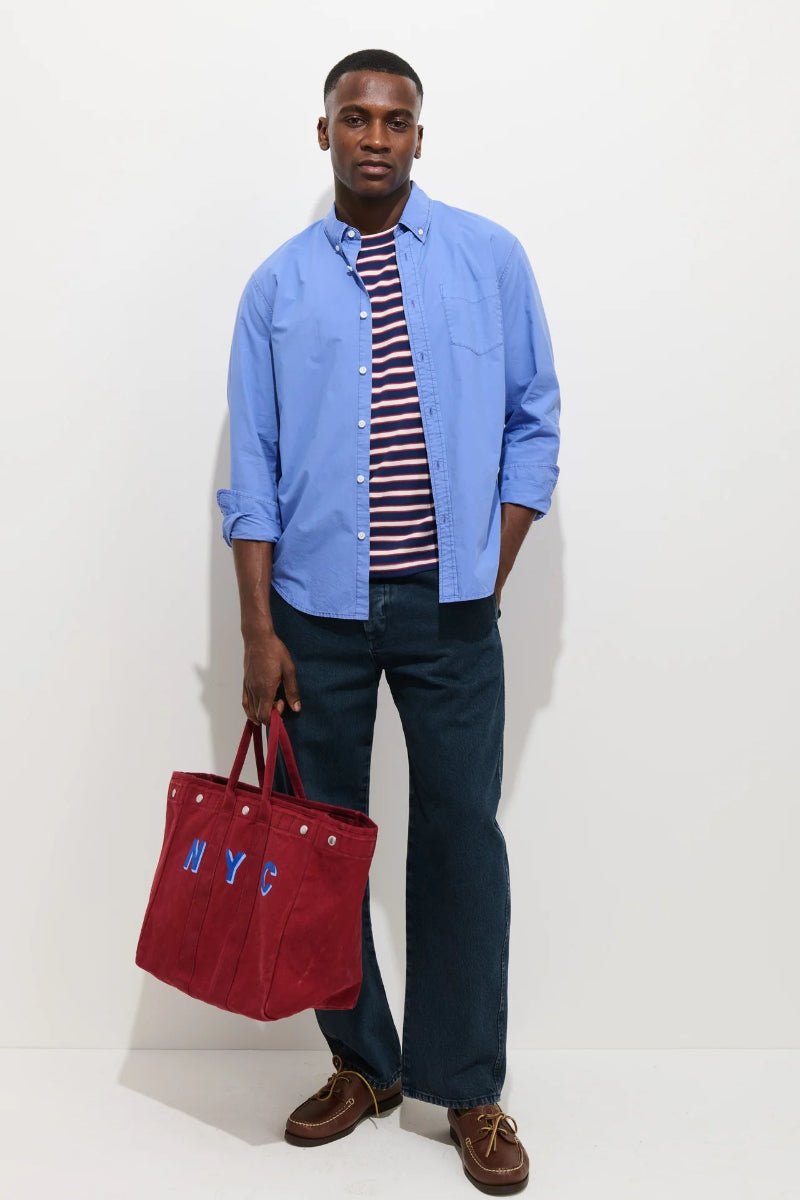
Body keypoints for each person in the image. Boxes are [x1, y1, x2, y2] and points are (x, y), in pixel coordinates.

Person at [216, 46, 561, 1194]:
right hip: (313, 619)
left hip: (453, 616)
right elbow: (252, 472)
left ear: (420, 136)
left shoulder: (488, 261)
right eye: (353, 118)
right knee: (322, 855)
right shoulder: (276, 289)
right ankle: (362, 1064)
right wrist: (259, 635)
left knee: (462, 843)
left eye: (395, 119)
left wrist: (487, 565)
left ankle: (469, 1089)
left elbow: (532, 425)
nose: (374, 136)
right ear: (323, 136)